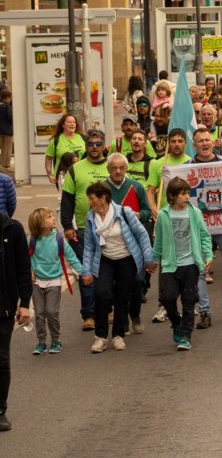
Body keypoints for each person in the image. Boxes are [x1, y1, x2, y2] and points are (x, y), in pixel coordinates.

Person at [80, 182, 157, 353]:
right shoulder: (90, 217)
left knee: (122, 297)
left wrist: (149, 259)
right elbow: (89, 246)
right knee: (101, 294)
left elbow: (142, 235)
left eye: (91, 198)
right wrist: (86, 271)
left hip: (126, 259)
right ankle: (100, 337)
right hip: (105, 259)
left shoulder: (124, 212)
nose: (89, 202)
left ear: (103, 198)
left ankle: (118, 335)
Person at [190, 128, 222, 328]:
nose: (204, 144)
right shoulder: (188, 167)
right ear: (194, 145)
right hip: (199, 228)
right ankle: (204, 311)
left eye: (207, 140)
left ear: (213, 142)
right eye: (200, 141)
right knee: (199, 270)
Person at [155, 177, 213, 351]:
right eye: (182, 194)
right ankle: (176, 323)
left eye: (188, 193)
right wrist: (153, 258)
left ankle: (186, 336)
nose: (187, 197)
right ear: (172, 196)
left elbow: (204, 235)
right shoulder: (164, 215)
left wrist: (208, 254)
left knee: (189, 300)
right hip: (170, 264)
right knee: (168, 298)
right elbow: (158, 240)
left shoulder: (194, 212)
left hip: (190, 263)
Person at [60, 129, 110, 331]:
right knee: (86, 272)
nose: (95, 148)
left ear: (103, 146)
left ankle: (107, 310)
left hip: (108, 229)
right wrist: (67, 226)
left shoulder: (112, 166)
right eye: (91, 144)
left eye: (98, 144)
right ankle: (88, 315)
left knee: (107, 273)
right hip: (82, 230)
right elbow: (67, 200)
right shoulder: (75, 169)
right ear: (86, 146)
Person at [104, 152, 152, 333]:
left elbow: (148, 213)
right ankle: (121, 319)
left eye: (121, 167)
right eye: (114, 168)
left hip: (134, 246)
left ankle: (135, 313)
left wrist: (136, 215)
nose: (118, 171)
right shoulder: (102, 189)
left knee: (137, 282)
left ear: (126, 168)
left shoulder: (137, 187)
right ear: (108, 169)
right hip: (111, 245)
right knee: (116, 285)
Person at [26, 207, 83, 355]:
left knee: (51, 311)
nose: (53, 218)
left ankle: (56, 340)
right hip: (36, 282)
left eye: (52, 216)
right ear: (39, 223)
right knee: (39, 313)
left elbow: (71, 257)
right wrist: (29, 271)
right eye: (49, 217)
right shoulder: (31, 240)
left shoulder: (59, 239)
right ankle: (41, 342)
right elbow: (24, 259)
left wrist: (84, 273)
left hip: (54, 281)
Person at [0, 211, 33, 432]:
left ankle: (0, 410)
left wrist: (24, 303)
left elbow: (23, 268)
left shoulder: (12, 229)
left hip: (3, 306)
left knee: (1, 359)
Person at [44, 114, 86, 186]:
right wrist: (49, 174)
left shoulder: (82, 138)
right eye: (69, 122)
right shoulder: (55, 141)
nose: (72, 124)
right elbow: (48, 158)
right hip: (63, 177)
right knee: (66, 197)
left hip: (82, 175)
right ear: (63, 125)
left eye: (74, 122)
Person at [0, 90, 14, 174]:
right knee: (8, 148)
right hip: (7, 130)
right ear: (8, 97)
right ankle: (6, 165)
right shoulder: (7, 107)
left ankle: (1, 164)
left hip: (0, 130)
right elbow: (10, 117)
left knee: (2, 148)